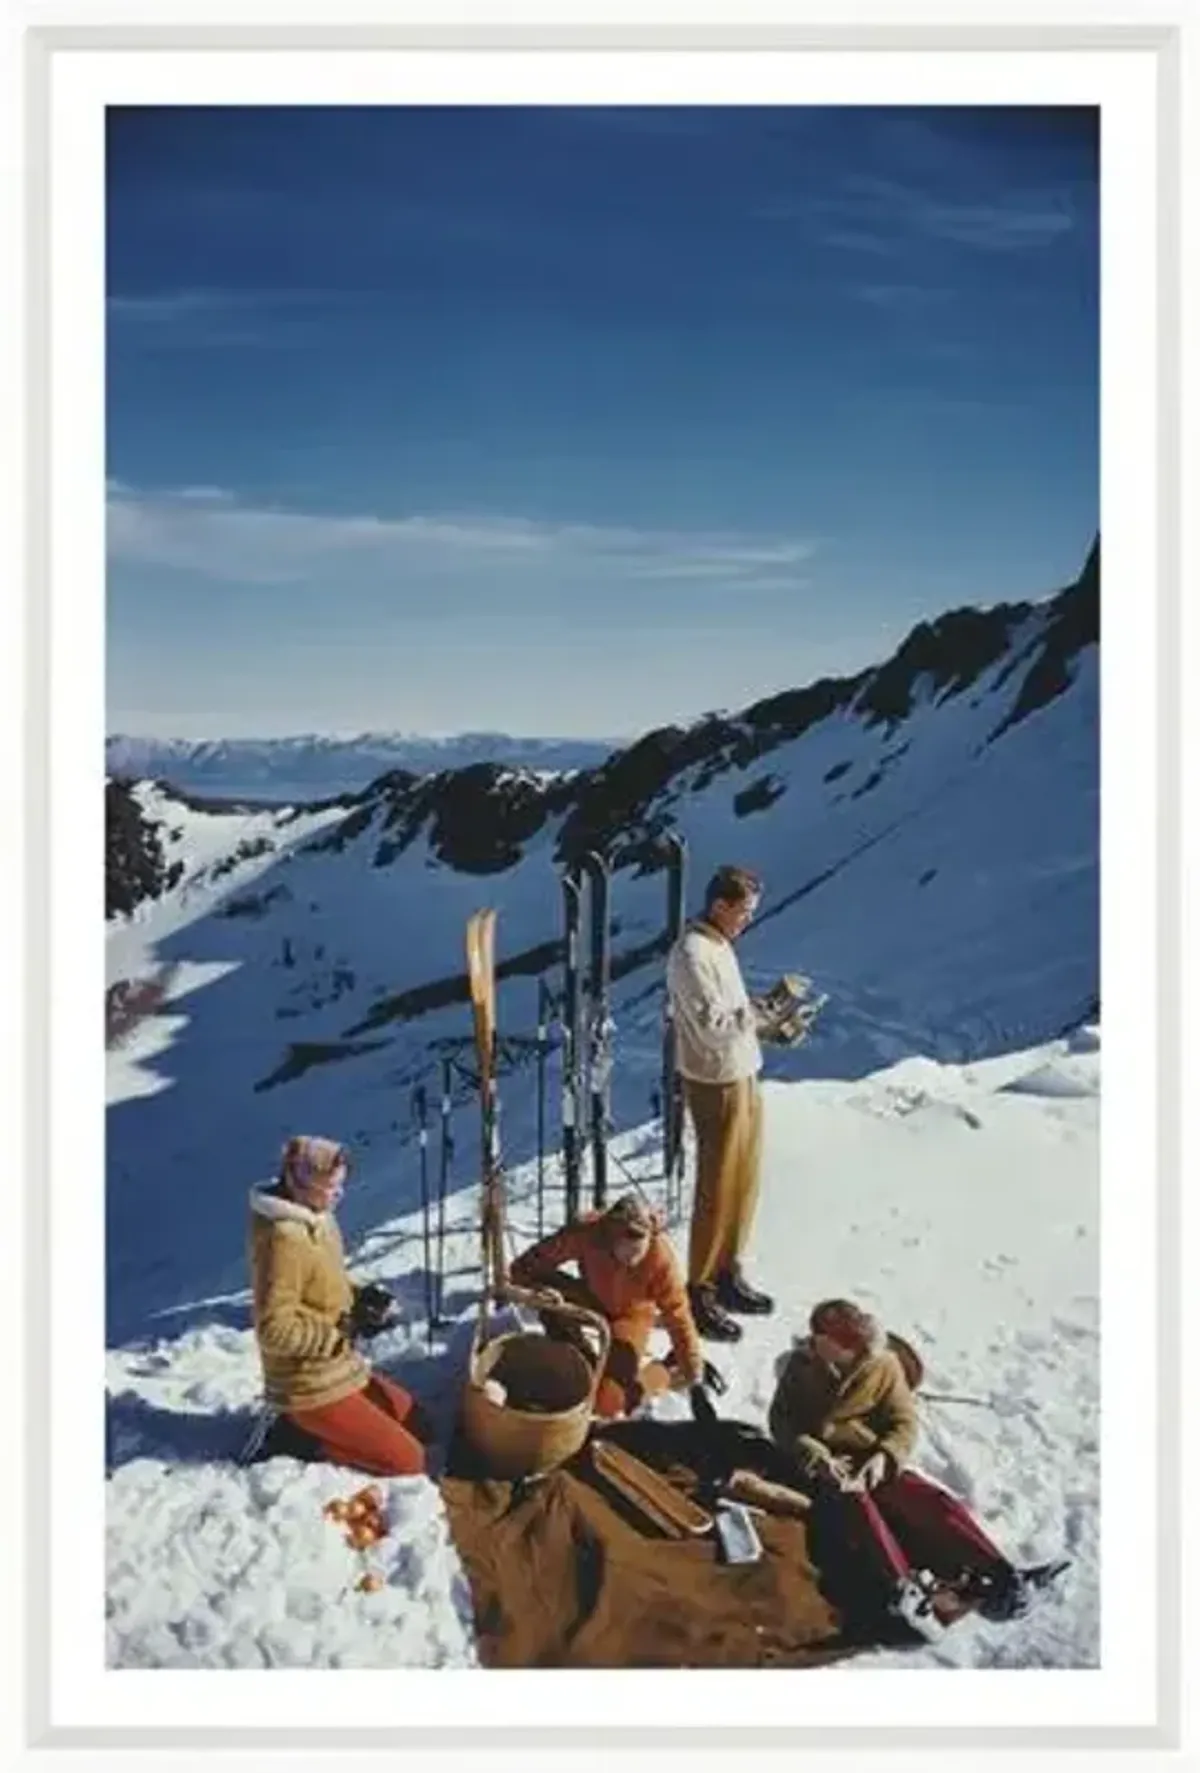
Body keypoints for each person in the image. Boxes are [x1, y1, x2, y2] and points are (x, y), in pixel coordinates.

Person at [768, 1299, 1067, 1638]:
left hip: (874, 1459)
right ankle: (902, 1586)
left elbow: (903, 1421)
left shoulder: (884, 1366)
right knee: (858, 1507)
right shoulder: (798, 1369)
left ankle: (998, 1572)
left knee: (925, 1498)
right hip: (824, 1467)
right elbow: (783, 1424)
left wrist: (885, 1456)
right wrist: (815, 1455)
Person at [248, 1135, 431, 1477]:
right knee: (409, 1461)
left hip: (340, 1365)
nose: (338, 1195)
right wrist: (335, 1335)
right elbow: (273, 1329)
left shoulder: (318, 1217)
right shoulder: (282, 1239)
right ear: (298, 1182)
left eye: (340, 1186)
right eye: (330, 1188)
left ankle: (327, 1427)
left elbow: (323, 1281)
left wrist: (360, 1296)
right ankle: (297, 1437)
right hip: (306, 1383)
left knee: (420, 1424)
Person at [665, 863, 773, 1341]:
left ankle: (728, 1269)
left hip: (743, 1070)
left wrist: (761, 1019)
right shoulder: (691, 955)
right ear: (719, 906)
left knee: (743, 1180)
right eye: (743, 911)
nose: (747, 921)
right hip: (715, 1079)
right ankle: (701, 1286)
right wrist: (755, 1015)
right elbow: (712, 1026)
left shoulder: (718, 946)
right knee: (717, 1183)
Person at [509, 1193, 709, 1419]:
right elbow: (525, 1265)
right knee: (554, 1314)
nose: (631, 1261)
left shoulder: (661, 1259)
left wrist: (692, 1368)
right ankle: (582, 1361)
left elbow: (678, 1314)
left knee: (609, 1405)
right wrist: (537, 1289)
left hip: (631, 1316)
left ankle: (665, 1369)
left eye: (638, 1253)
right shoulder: (588, 1232)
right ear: (609, 1236)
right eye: (625, 1252)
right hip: (591, 1298)